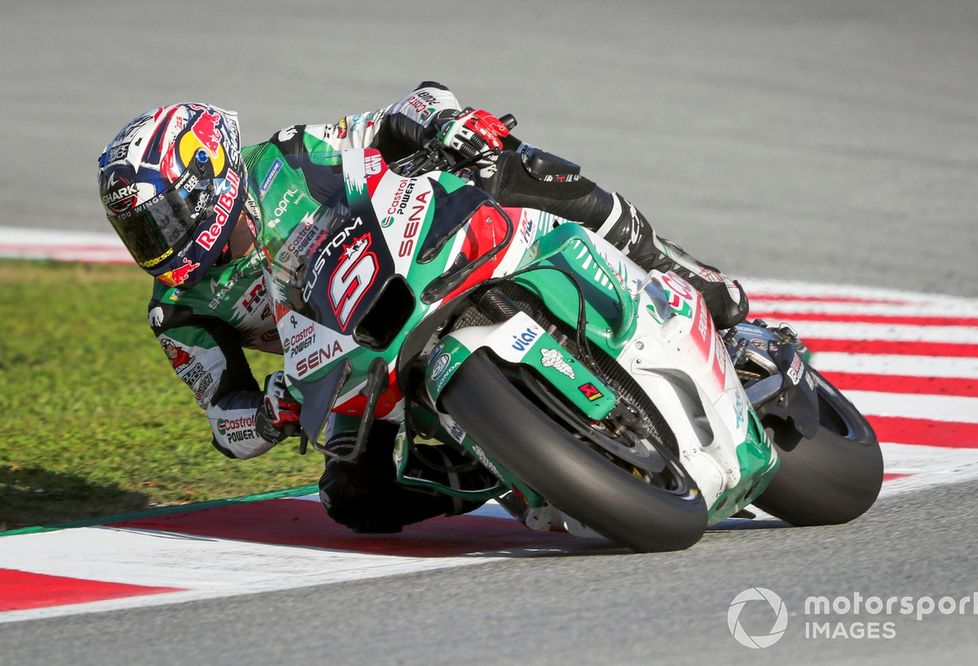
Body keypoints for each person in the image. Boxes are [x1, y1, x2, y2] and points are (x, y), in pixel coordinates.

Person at [97, 82, 749, 533]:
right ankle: (504, 456)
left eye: (163, 218)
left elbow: (402, 109)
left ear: (210, 172)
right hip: (350, 365)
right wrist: (269, 414)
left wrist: (448, 123)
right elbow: (225, 422)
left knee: (514, 165)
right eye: (142, 232)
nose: (157, 242)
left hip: (422, 248)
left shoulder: (291, 155)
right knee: (352, 500)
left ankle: (687, 276)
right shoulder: (179, 311)